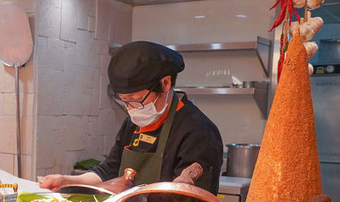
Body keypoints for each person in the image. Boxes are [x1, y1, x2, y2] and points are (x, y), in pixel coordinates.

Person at [39, 41, 223, 194]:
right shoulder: (132, 124)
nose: (132, 109)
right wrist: (68, 181)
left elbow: (189, 200)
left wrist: (122, 192)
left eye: (136, 100)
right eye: (125, 101)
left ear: (165, 83)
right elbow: (110, 169)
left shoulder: (198, 131)